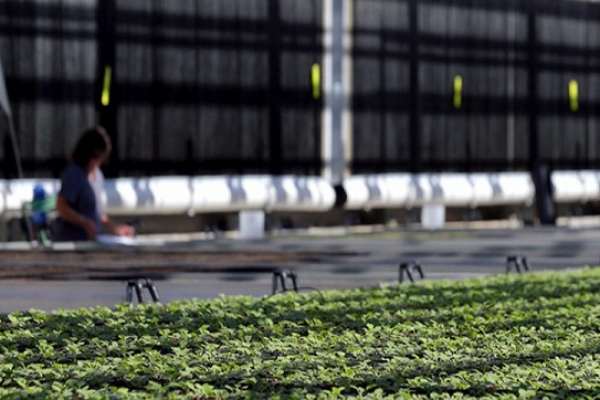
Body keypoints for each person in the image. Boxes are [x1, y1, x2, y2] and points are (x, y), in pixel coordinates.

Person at [52, 126, 135, 242]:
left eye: (100, 159)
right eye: (94, 157)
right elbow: (61, 207)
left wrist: (115, 227)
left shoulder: (98, 176)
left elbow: (97, 213)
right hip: (72, 242)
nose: (96, 162)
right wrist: (83, 221)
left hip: (92, 242)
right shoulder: (73, 174)